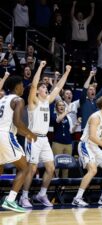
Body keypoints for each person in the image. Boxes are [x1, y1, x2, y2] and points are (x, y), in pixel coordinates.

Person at [19, 61, 71, 208]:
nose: (45, 88)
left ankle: (42, 194)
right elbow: (34, 85)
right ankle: (24, 196)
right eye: (43, 87)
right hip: (33, 138)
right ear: (36, 92)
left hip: (44, 139)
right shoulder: (33, 101)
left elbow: (59, 87)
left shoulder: (47, 101)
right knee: (32, 168)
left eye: (45, 86)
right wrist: (40, 68)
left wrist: (66, 72)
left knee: (50, 168)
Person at [0, 74, 37, 213]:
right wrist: (30, 133)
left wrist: (23, 133)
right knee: (25, 167)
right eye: (22, 85)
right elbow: (17, 122)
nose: (23, 87)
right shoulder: (18, 100)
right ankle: (10, 200)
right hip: (5, 135)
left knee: (0, 168)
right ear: (17, 86)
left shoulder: (2, 99)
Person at [72, 95, 102, 206]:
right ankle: (77, 198)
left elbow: (100, 136)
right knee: (93, 170)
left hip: (95, 147)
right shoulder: (95, 117)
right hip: (85, 145)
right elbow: (92, 136)